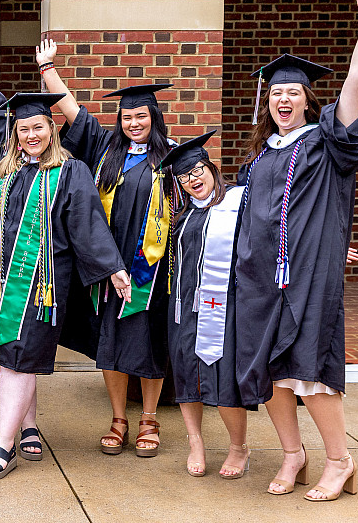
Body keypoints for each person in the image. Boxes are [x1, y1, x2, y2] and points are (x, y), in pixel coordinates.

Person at [0, 31, 131, 480]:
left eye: (38, 127)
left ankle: (3, 444)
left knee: (19, 353)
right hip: (0, 278)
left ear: (51, 129)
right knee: (14, 353)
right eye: (23, 129)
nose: (30, 135)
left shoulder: (69, 170)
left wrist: (111, 266)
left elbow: (88, 224)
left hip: (40, 284)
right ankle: (29, 425)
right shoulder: (10, 167)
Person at [235, 0, 358, 501]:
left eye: (292, 91)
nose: (282, 98)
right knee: (270, 373)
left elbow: (356, 86)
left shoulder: (327, 141)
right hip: (257, 278)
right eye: (275, 91)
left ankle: (339, 461)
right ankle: (293, 455)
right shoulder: (261, 154)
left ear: (307, 98)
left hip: (309, 277)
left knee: (311, 373)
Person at [39, 40, 176, 456]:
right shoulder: (106, 151)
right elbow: (73, 112)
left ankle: (149, 419)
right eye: (127, 116)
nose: (133, 123)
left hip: (152, 271)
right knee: (111, 342)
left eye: (141, 116)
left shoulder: (172, 158)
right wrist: (48, 70)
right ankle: (119, 419)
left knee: (151, 341)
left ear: (154, 117)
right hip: (106, 270)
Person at [158, 131, 250, 480]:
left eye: (197, 170)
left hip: (225, 309)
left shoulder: (238, 202)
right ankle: (195, 443)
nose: (192, 179)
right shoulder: (181, 214)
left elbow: (275, 234)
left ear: (211, 167)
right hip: (183, 310)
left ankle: (238, 447)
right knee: (185, 375)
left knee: (225, 380)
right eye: (184, 176)